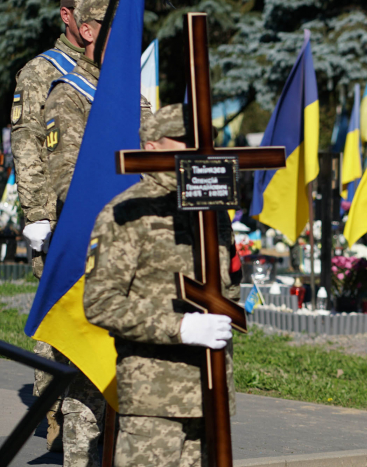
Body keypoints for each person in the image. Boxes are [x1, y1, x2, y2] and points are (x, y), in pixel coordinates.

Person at [83, 104, 240, 466]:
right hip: (155, 398)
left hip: (211, 390)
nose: (199, 151)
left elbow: (231, 283)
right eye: (185, 142)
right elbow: (100, 302)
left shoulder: (214, 210)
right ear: (151, 146)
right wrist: (179, 327)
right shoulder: (127, 213)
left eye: (205, 141)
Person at [43, 0, 153, 464]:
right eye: (121, 37)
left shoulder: (136, 98)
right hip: (92, 258)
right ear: (91, 33)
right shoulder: (67, 95)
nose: (132, 47)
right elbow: (70, 185)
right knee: (88, 389)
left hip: (139, 263)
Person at [10, 0, 85, 452]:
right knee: (58, 322)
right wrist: (36, 213)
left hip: (103, 218)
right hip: (59, 218)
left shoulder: (108, 70)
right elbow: (27, 142)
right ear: (67, 14)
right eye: (90, 17)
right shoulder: (41, 71)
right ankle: (53, 418)